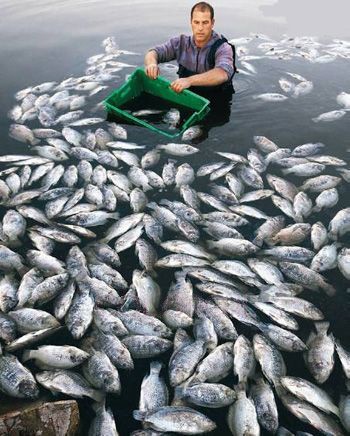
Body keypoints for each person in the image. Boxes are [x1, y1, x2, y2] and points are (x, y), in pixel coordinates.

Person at [144, 2, 236, 99]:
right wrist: (151, 64)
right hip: (186, 96)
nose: (200, 28)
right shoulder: (180, 43)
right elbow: (153, 52)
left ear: (212, 23)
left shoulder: (223, 48)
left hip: (217, 99)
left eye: (205, 22)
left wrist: (189, 81)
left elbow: (222, 73)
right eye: (196, 22)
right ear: (191, 22)